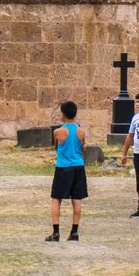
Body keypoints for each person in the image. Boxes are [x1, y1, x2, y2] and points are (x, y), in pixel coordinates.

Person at [48, 100, 88, 242]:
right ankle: (74, 231)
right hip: (78, 166)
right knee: (76, 199)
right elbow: (83, 148)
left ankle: (56, 231)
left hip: (63, 167)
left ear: (63, 114)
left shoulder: (58, 132)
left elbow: (57, 147)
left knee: (56, 199)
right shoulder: (81, 132)